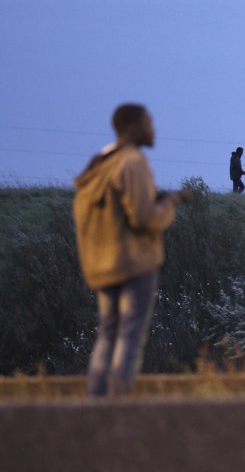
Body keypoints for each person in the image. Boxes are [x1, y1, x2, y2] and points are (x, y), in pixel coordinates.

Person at [73, 103, 186, 397]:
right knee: (130, 337)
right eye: (149, 123)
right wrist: (169, 205)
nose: (154, 129)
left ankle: (96, 402)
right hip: (133, 263)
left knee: (107, 334)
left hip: (103, 263)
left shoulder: (101, 161)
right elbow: (144, 218)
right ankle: (118, 406)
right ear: (134, 128)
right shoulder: (132, 162)